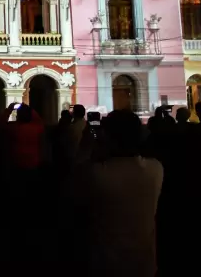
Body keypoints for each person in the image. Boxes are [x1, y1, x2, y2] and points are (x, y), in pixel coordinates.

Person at [68, 110, 163, 277]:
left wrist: (85, 147)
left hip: (106, 263)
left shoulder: (95, 173)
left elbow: (72, 191)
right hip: (144, 262)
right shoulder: (155, 168)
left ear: (106, 137)